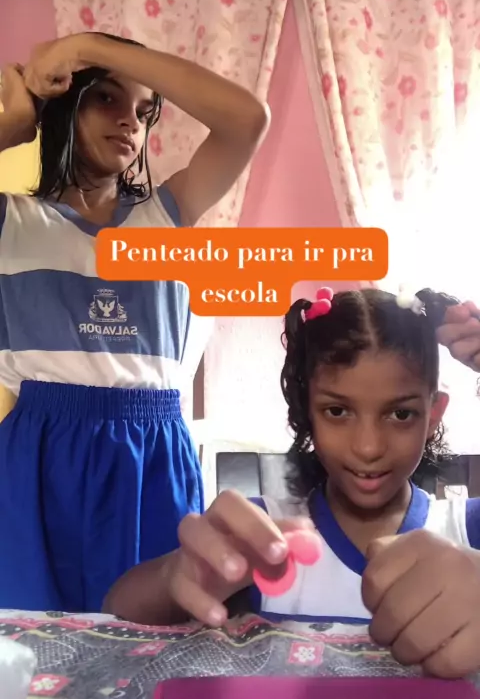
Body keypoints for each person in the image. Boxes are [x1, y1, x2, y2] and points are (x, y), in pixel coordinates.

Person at [0, 32, 269, 613]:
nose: (130, 122)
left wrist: (89, 46)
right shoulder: (12, 223)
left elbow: (248, 120)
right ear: (64, 104)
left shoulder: (167, 216)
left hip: (154, 455)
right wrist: (14, 126)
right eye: (107, 98)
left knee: (154, 637)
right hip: (40, 455)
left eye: (145, 112)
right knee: (33, 638)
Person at [105, 286, 480, 680]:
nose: (368, 447)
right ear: (307, 410)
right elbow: (117, 612)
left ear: (433, 413)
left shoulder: (468, 529)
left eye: (400, 415)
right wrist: (172, 577)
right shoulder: (259, 535)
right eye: (337, 411)